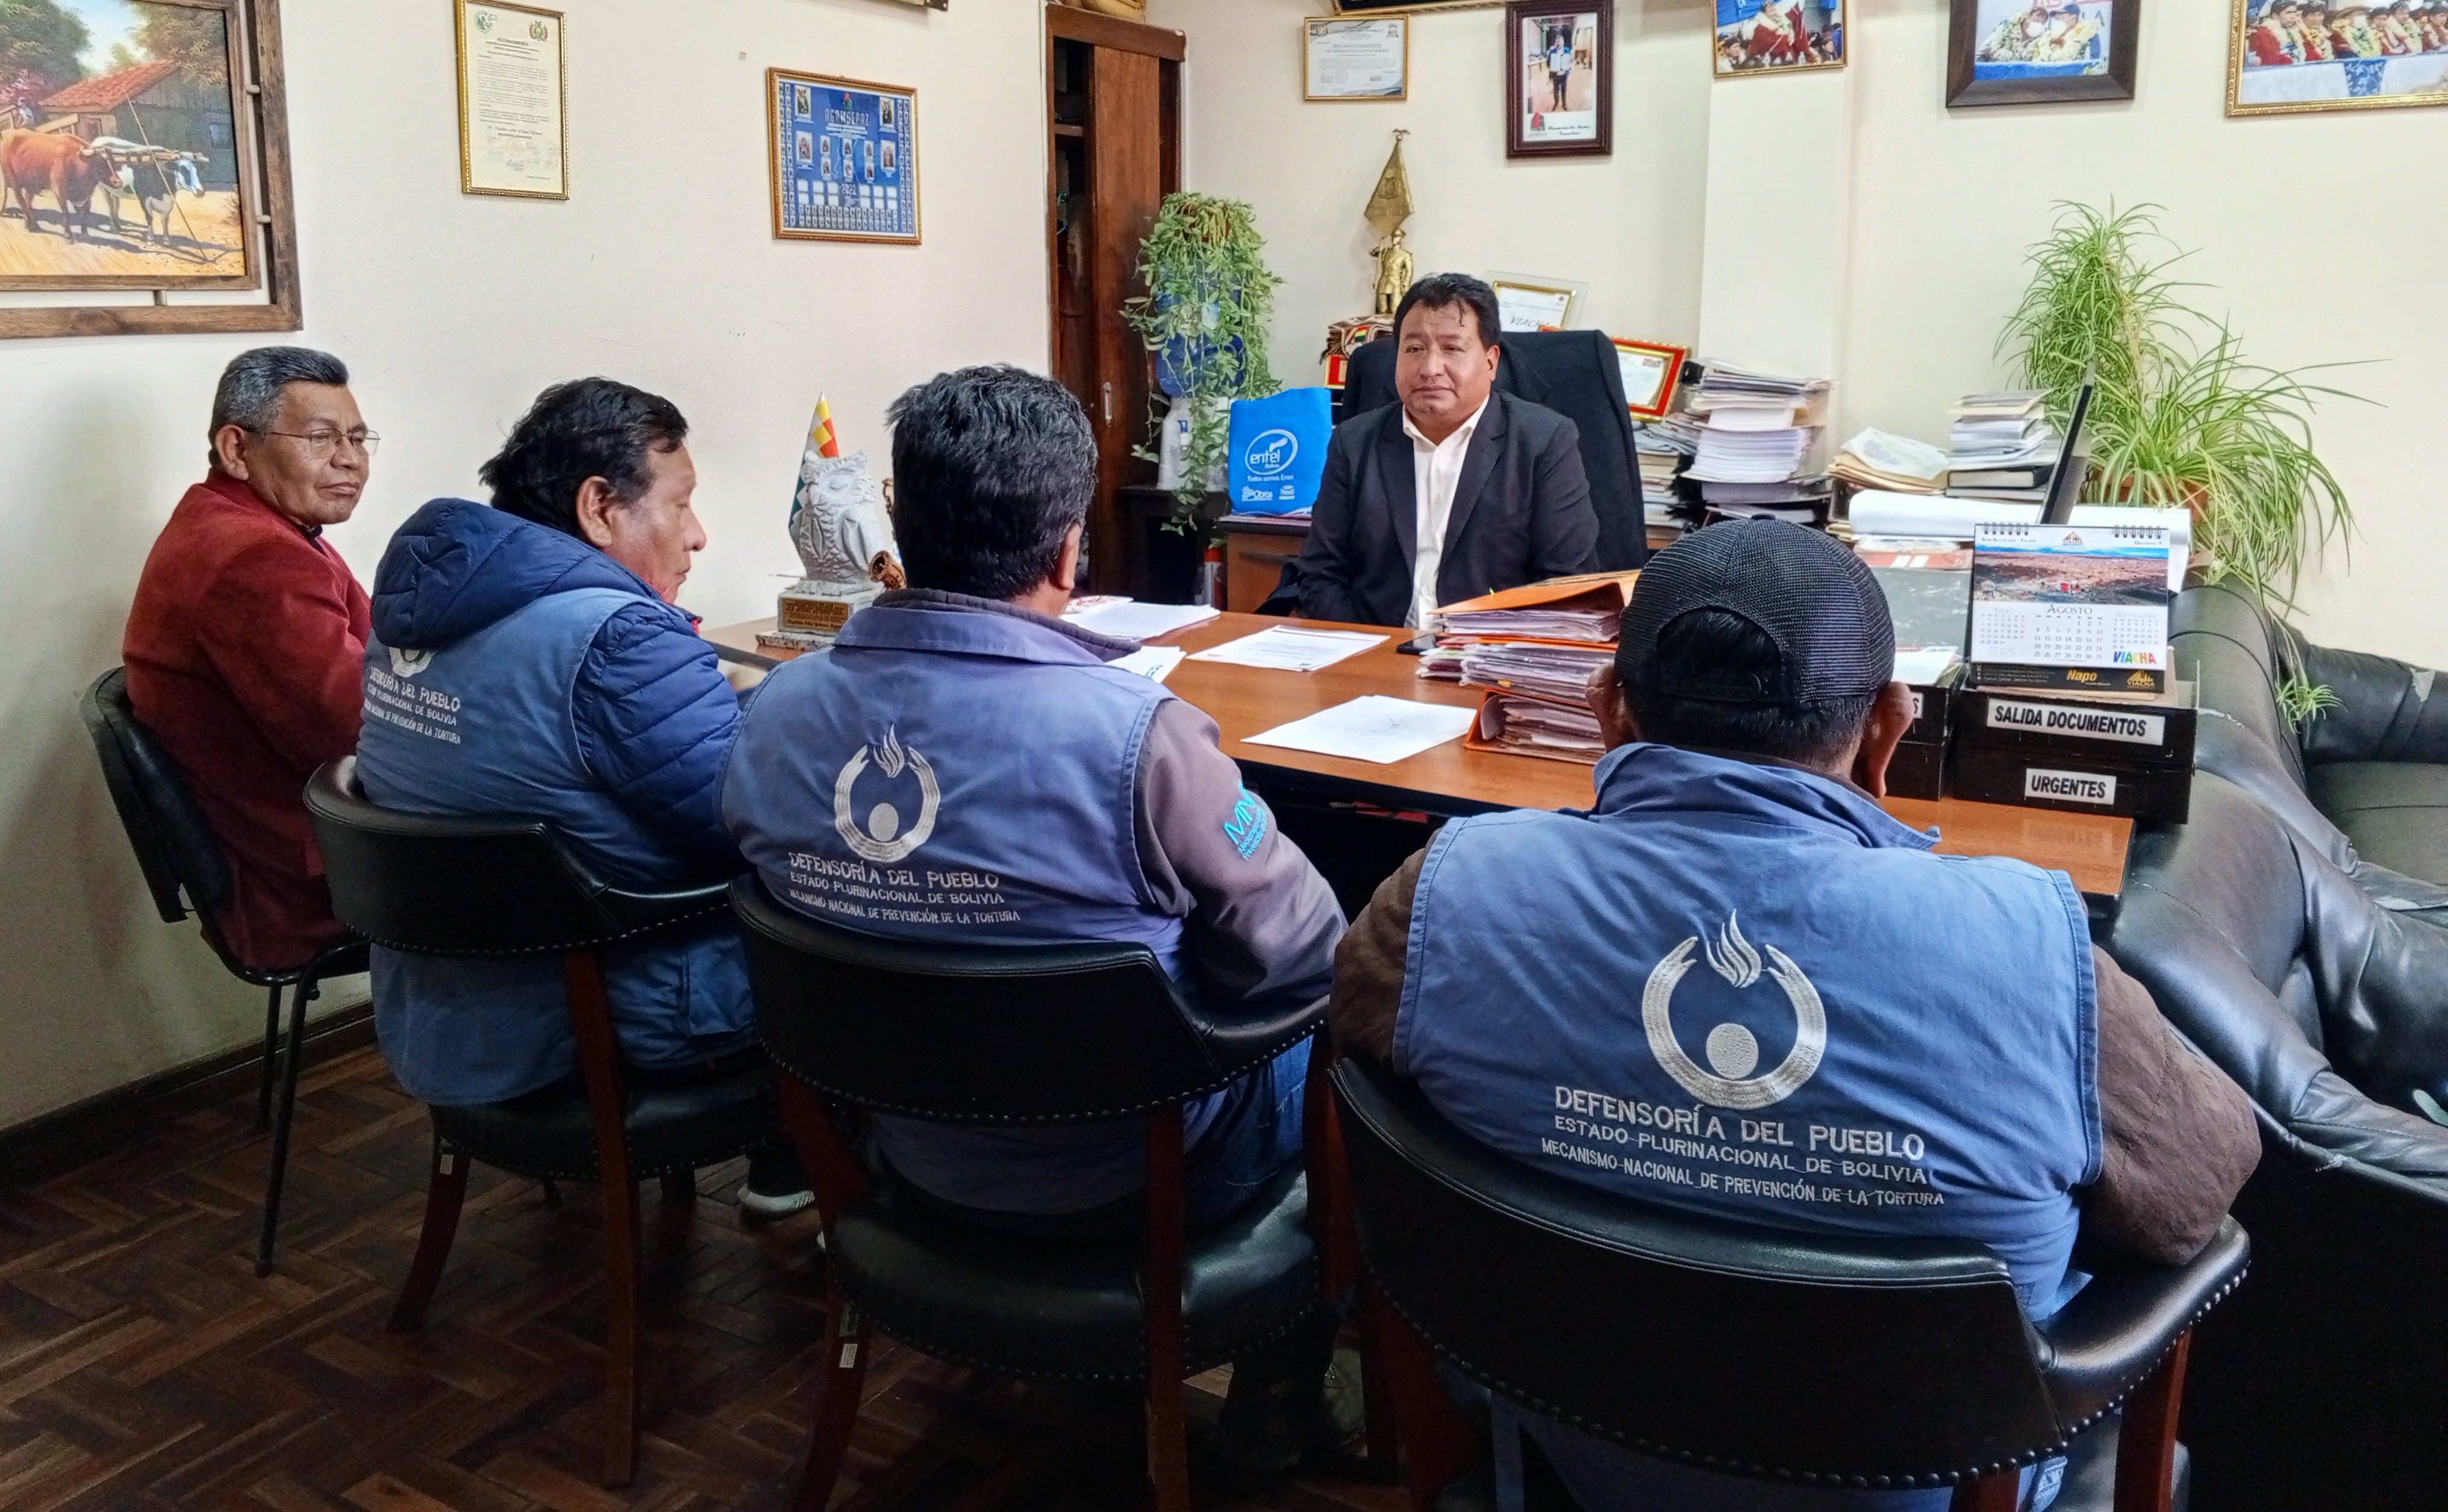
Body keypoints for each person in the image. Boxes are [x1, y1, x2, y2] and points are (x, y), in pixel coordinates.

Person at [1329, 522, 2260, 1512]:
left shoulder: (1447, 894)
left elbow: (1354, 1057)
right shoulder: (2028, 948)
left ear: (1605, 710)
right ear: (1886, 731)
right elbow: (2198, 1189)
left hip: (1573, 1462)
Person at [722, 364, 1353, 1469]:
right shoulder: (1139, 736)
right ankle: (1280, 1395)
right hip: (1134, 1171)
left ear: (901, 535)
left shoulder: (774, 714)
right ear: (1068, 550)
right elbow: (1303, 951)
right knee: (1354, 1047)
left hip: (898, 1148)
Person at [355, 378, 808, 1217]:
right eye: (682, 503)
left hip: (451, 1008)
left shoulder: (406, 622)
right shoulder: (616, 637)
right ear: (601, 506)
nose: (699, 534)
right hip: (606, 1010)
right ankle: (850, 1182)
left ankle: (793, 1157)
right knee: (859, 905)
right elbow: (752, 824)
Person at [123, 347, 375, 972]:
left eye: (358, 437)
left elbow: (383, 655)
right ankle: (559, 1066)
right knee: (588, 847)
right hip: (309, 882)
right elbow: (360, 731)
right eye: (320, 437)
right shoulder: (253, 559)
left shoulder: (238, 523)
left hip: (301, 846)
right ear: (236, 449)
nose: (350, 458)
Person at [1292, 273, 1600, 630]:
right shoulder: (1354, 442)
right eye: (1414, 349)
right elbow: (1321, 575)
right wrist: (1366, 654)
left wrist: (1484, 663)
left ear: (1490, 361)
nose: (1429, 369)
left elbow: (1564, 588)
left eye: (1452, 348)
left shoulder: (1544, 442)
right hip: (1377, 652)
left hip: (1487, 660)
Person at [1546, 28, 1574, 108]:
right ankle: (1556, 103)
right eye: (1557, 42)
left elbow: (1570, 61)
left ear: (1563, 42)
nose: (1559, 43)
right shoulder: (1552, 52)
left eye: (1560, 41)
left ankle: (1564, 105)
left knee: (1564, 91)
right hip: (1555, 75)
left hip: (1564, 75)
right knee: (1556, 91)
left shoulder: (1567, 50)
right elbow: (1548, 63)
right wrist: (1552, 67)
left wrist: (1570, 61)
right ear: (1556, 43)